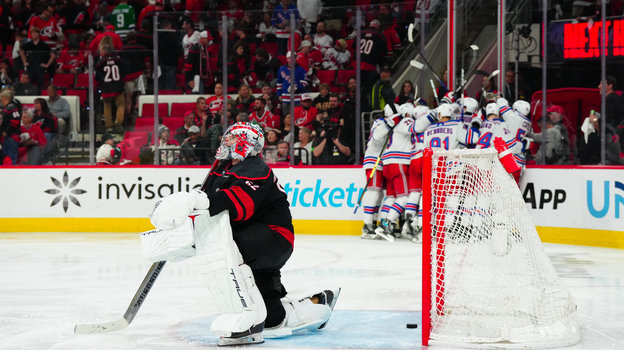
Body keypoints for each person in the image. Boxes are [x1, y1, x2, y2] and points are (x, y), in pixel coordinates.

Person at [145, 122, 338, 346]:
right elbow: (207, 207)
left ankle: (247, 323)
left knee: (225, 249)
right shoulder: (223, 168)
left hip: (273, 237)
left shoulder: (256, 168)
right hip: (250, 238)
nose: (225, 141)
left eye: (232, 138)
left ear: (246, 143)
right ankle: (316, 306)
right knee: (274, 319)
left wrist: (200, 200)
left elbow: (240, 205)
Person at [95, 44, 126, 134]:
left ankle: (109, 126)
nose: (100, 52)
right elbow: (123, 72)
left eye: (101, 50)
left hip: (106, 87)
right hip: (117, 86)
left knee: (107, 105)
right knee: (120, 105)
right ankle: (118, 121)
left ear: (104, 51)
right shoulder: (118, 60)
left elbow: (97, 77)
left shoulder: (100, 62)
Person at [19, 26, 55, 91]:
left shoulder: (43, 45)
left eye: (35, 33)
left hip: (40, 67)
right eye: (32, 33)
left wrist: (47, 65)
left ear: (38, 34)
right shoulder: (28, 44)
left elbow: (52, 55)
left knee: (40, 85)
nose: (34, 34)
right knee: (29, 85)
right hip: (30, 67)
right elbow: (22, 53)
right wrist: (24, 62)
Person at [0, 88, 22, 164]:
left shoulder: (11, 108)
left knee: (10, 159)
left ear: (4, 98)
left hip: (11, 138)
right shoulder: (9, 108)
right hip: (8, 138)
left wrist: (6, 132)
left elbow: (15, 122)